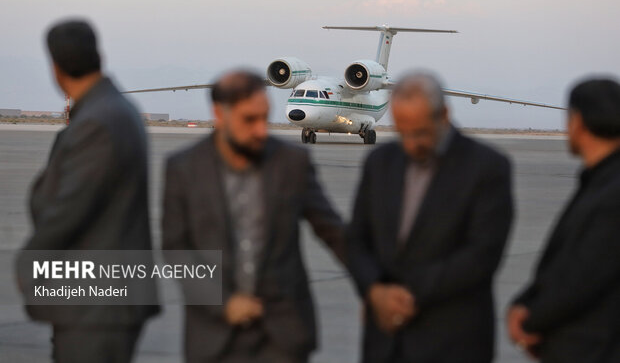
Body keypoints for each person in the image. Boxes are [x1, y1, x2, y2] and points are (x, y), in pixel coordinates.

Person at [161, 70, 344, 363]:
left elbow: (333, 231)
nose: (262, 130)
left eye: (264, 117)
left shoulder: (290, 162)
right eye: (250, 120)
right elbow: (176, 248)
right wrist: (223, 301)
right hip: (213, 337)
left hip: (283, 337)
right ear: (219, 114)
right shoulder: (183, 169)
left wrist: (377, 285)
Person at [346, 71, 514, 363]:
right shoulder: (381, 162)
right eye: (403, 131)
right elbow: (357, 239)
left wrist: (404, 295)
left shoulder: (487, 168)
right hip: (384, 341)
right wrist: (374, 290)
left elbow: (482, 255)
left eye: (421, 132)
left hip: (452, 340)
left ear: (444, 115)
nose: (411, 143)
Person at [17, 20, 159, 362]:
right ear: (99, 56)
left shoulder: (98, 120)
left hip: (97, 303)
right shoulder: (115, 110)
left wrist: (27, 264)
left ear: (56, 67)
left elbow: (68, 208)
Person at [508, 78, 620, 362]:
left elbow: (585, 274)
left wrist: (530, 318)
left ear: (578, 122)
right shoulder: (598, 180)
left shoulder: (610, 192)